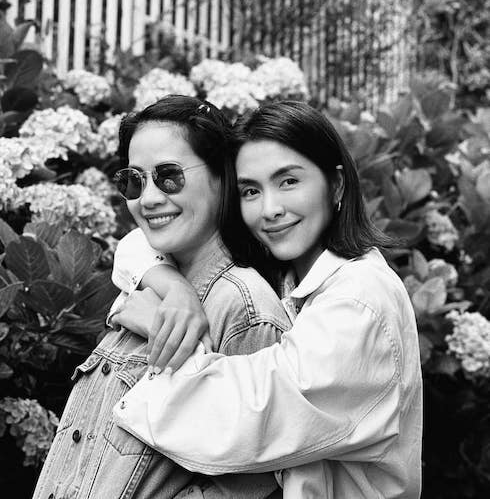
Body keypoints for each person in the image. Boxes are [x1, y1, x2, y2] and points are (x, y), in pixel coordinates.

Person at [111, 100, 423, 499]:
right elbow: (140, 241)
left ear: (336, 185)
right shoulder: (294, 277)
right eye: (251, 191)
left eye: (288, 181)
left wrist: (160, 327)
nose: (270, 209)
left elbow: (250, 416)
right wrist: (175, 289)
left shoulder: (359, 299)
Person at [32, 96, 290, 499]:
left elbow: (254, 480)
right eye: (134, 181)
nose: (148, 198)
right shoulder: (147, 282)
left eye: (169, 176)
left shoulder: (245, 309)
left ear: (222, 177)